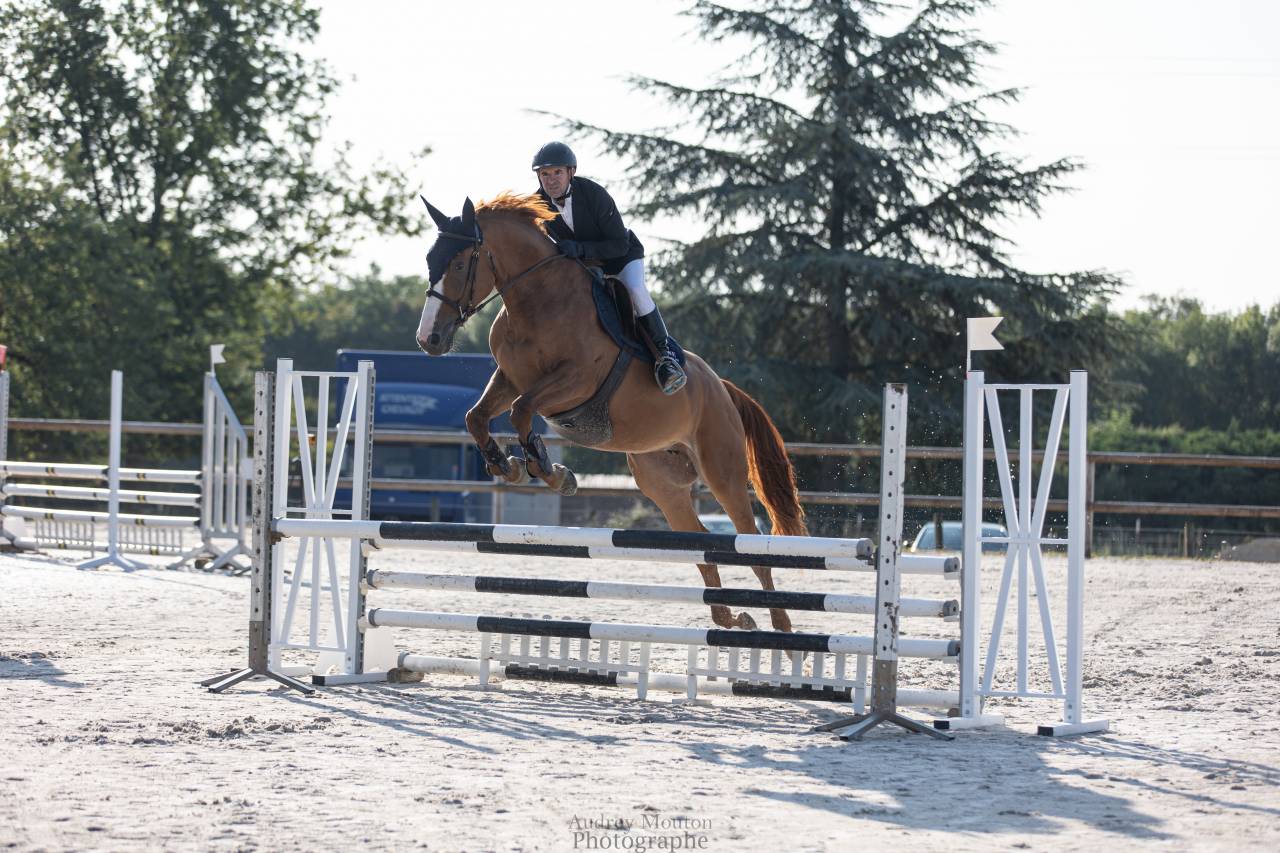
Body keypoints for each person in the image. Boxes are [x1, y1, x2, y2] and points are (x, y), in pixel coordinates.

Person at [531, 141, 686, 395]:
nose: (550, 180)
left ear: (571, 172)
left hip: (621, 257)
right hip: (584, 267)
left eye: (557, 172)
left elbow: (618, 243)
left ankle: (665, 356)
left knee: (635, 289)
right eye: (544, 174)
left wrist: (581, 249)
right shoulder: (537, 203)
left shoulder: (593, 194)